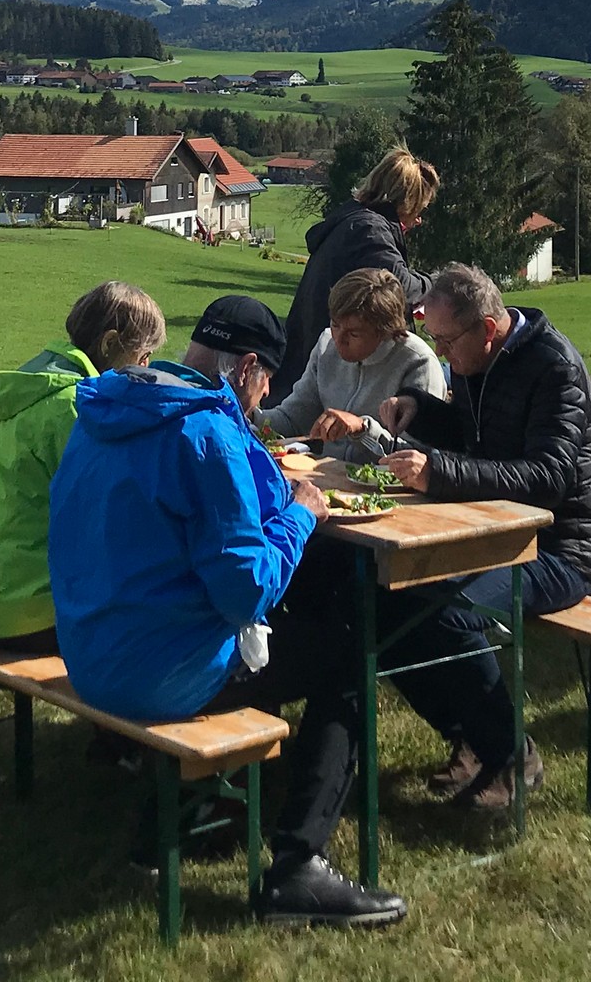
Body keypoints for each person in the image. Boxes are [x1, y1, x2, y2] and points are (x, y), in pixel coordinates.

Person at [49, 296, 405, 928]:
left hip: (90, 650)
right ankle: (298, 868)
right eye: (265, 382)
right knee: (347, 657)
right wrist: (303, 513)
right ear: (247, 368)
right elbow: (247, 590)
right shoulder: (204, 432)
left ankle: (180, 828)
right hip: (158, 673)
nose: (262, 399)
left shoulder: (108, 407)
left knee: (279, 641)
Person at [375, 262, 591, 808]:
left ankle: (510, 756)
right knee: (387, 607)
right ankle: (472, 738)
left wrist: (439, 472)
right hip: (489, 533)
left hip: (556, 550)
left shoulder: (555, 368)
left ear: (490, 329)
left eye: (447, 342)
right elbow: (476, 437)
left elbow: (547, 478)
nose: (443, 354)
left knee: (447, 611)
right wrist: (422, 410)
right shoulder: (477, 358)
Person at [0, 280, 165, 649]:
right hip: (20, 617)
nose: (147, 368)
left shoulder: (26, 388)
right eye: (142, 356)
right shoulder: (75, 406)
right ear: (109, 344)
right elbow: (116, 514)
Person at [275, 148, 439, 405]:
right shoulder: (370, 231)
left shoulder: (350, 220)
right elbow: (400, 286)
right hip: (333, 359)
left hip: (313, 350)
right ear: (405, 202)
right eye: (420, 208)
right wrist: (434, 284)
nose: (418, 219)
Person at [260, 267, 447, 463]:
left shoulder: (418, 362)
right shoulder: (326, 345)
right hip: (329, 479)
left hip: (387, 490)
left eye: (354, 333)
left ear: (384, 332)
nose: (339, 339)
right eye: (335, 324)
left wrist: (362, 429)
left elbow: (420, 459)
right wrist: (247, 416)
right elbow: (293, 418)